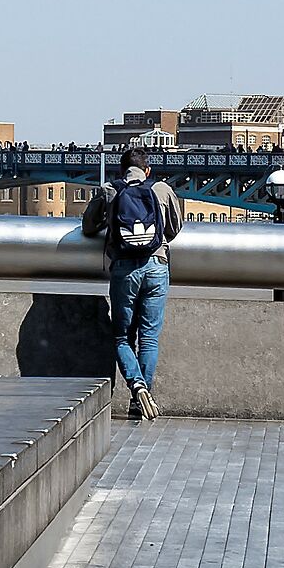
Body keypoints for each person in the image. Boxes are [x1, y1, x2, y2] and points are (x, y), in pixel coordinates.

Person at [81, 144, 187, 420]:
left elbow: (88, 227)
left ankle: (136, 384)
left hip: (124, 268)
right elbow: (174, 229)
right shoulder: (161, 190)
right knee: (149, 338)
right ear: (147, 169)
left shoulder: (110, 190)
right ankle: (141, 399)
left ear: (121, 170)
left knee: (122, 337)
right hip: (156, 265)